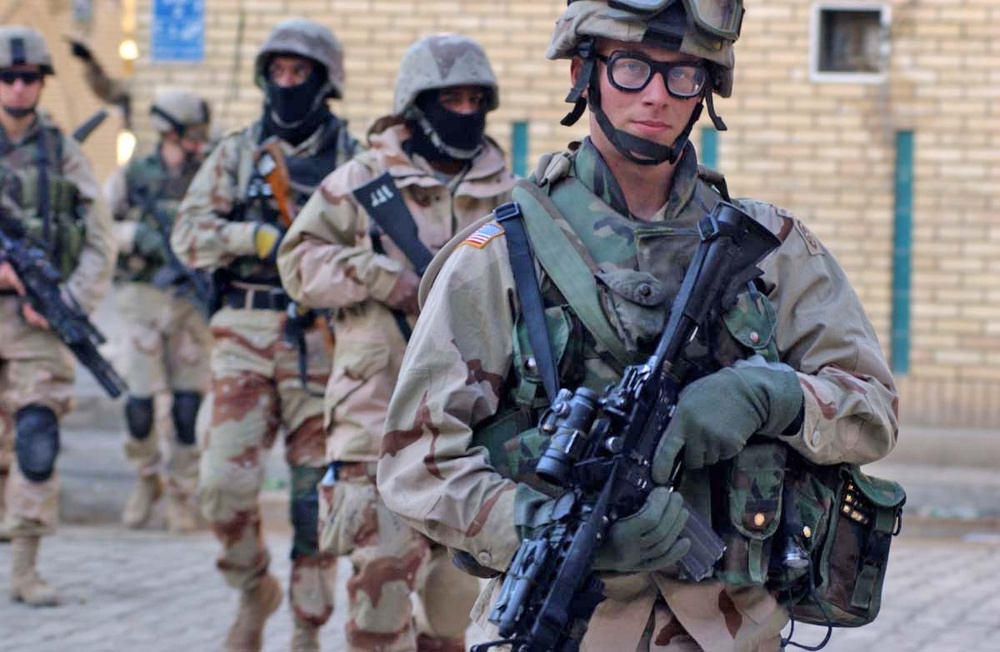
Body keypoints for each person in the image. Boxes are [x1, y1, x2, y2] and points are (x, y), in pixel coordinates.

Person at [378, 2, 899, 651]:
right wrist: (544, 523)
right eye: (631, 68)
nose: (656, 95)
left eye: (682, 74)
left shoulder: (773, 248)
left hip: (733, 629)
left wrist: (777, 395)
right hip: (564, 624)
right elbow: (414, 462)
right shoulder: (500, 258)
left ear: (707, 88)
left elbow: (873, 408)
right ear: (583, 71)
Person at [277, 33, 516, 652]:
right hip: (373, 414)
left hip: (473, 424)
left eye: (474, 100)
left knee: (456, 604)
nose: (464, 113)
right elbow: (298, 262)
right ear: (417, 106)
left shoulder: (509, 194)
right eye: (449, 100)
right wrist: (385, 279)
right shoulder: (360, 182)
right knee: (380, 584)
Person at [171, 18, 361, 652]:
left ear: (323, 81)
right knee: (221, 484)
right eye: (276, 72)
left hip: (323, 341)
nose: (285, 84)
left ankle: (307, 627)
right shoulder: (237, 152)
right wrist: (253, 238)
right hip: (244, 330)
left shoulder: (353, 162)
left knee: (314, 498)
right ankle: (254, 587)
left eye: (298, 73)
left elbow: (376, 247)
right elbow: (189, 234)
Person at [0, 25, 114, 606]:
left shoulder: (61, 151)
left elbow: (99, 239)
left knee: (35, 439)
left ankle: (25, 566)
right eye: (8, 78)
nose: (18, 88)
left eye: (29, 78)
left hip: (37, 324)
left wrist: (69, 300)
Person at [104, 89, 214, 533]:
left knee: (188, 406)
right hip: (143, 297)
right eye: (193, 133)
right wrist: (137, 237)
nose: (200, 141)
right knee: (140, 403)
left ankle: (182, 495)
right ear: (170, 130)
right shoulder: (133, 175)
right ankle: (145, 477)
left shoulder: (209, 176)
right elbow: (100, 227)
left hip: (190, 301)